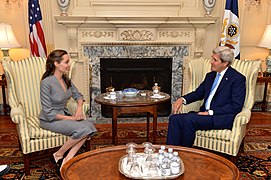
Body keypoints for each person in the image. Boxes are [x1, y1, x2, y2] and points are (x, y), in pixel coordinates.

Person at [166, 46, 246, 147]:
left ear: (225, 63)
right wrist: (182, 99)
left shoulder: (237, 79)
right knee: (174, 119)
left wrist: (210, 112)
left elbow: (236, 106)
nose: (211, 62)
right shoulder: (211, 76)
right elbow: (198, 93)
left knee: (189, 119)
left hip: (219, 117)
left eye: (215, 60)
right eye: (212, 58)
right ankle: (170, 153)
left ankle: (185, 154)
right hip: (204, 114)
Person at [39, 49, 97, 173]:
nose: (69, 65)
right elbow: (48, 112)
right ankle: (59, 154)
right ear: (56, 64)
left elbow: (79, 95)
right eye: (66, 62)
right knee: (83, 129)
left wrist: (79, 109)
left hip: (64, 115)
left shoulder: (66, 79)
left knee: (90, 127)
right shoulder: (46, 83)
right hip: (50, 119)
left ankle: (67, 159)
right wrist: (72, 118)